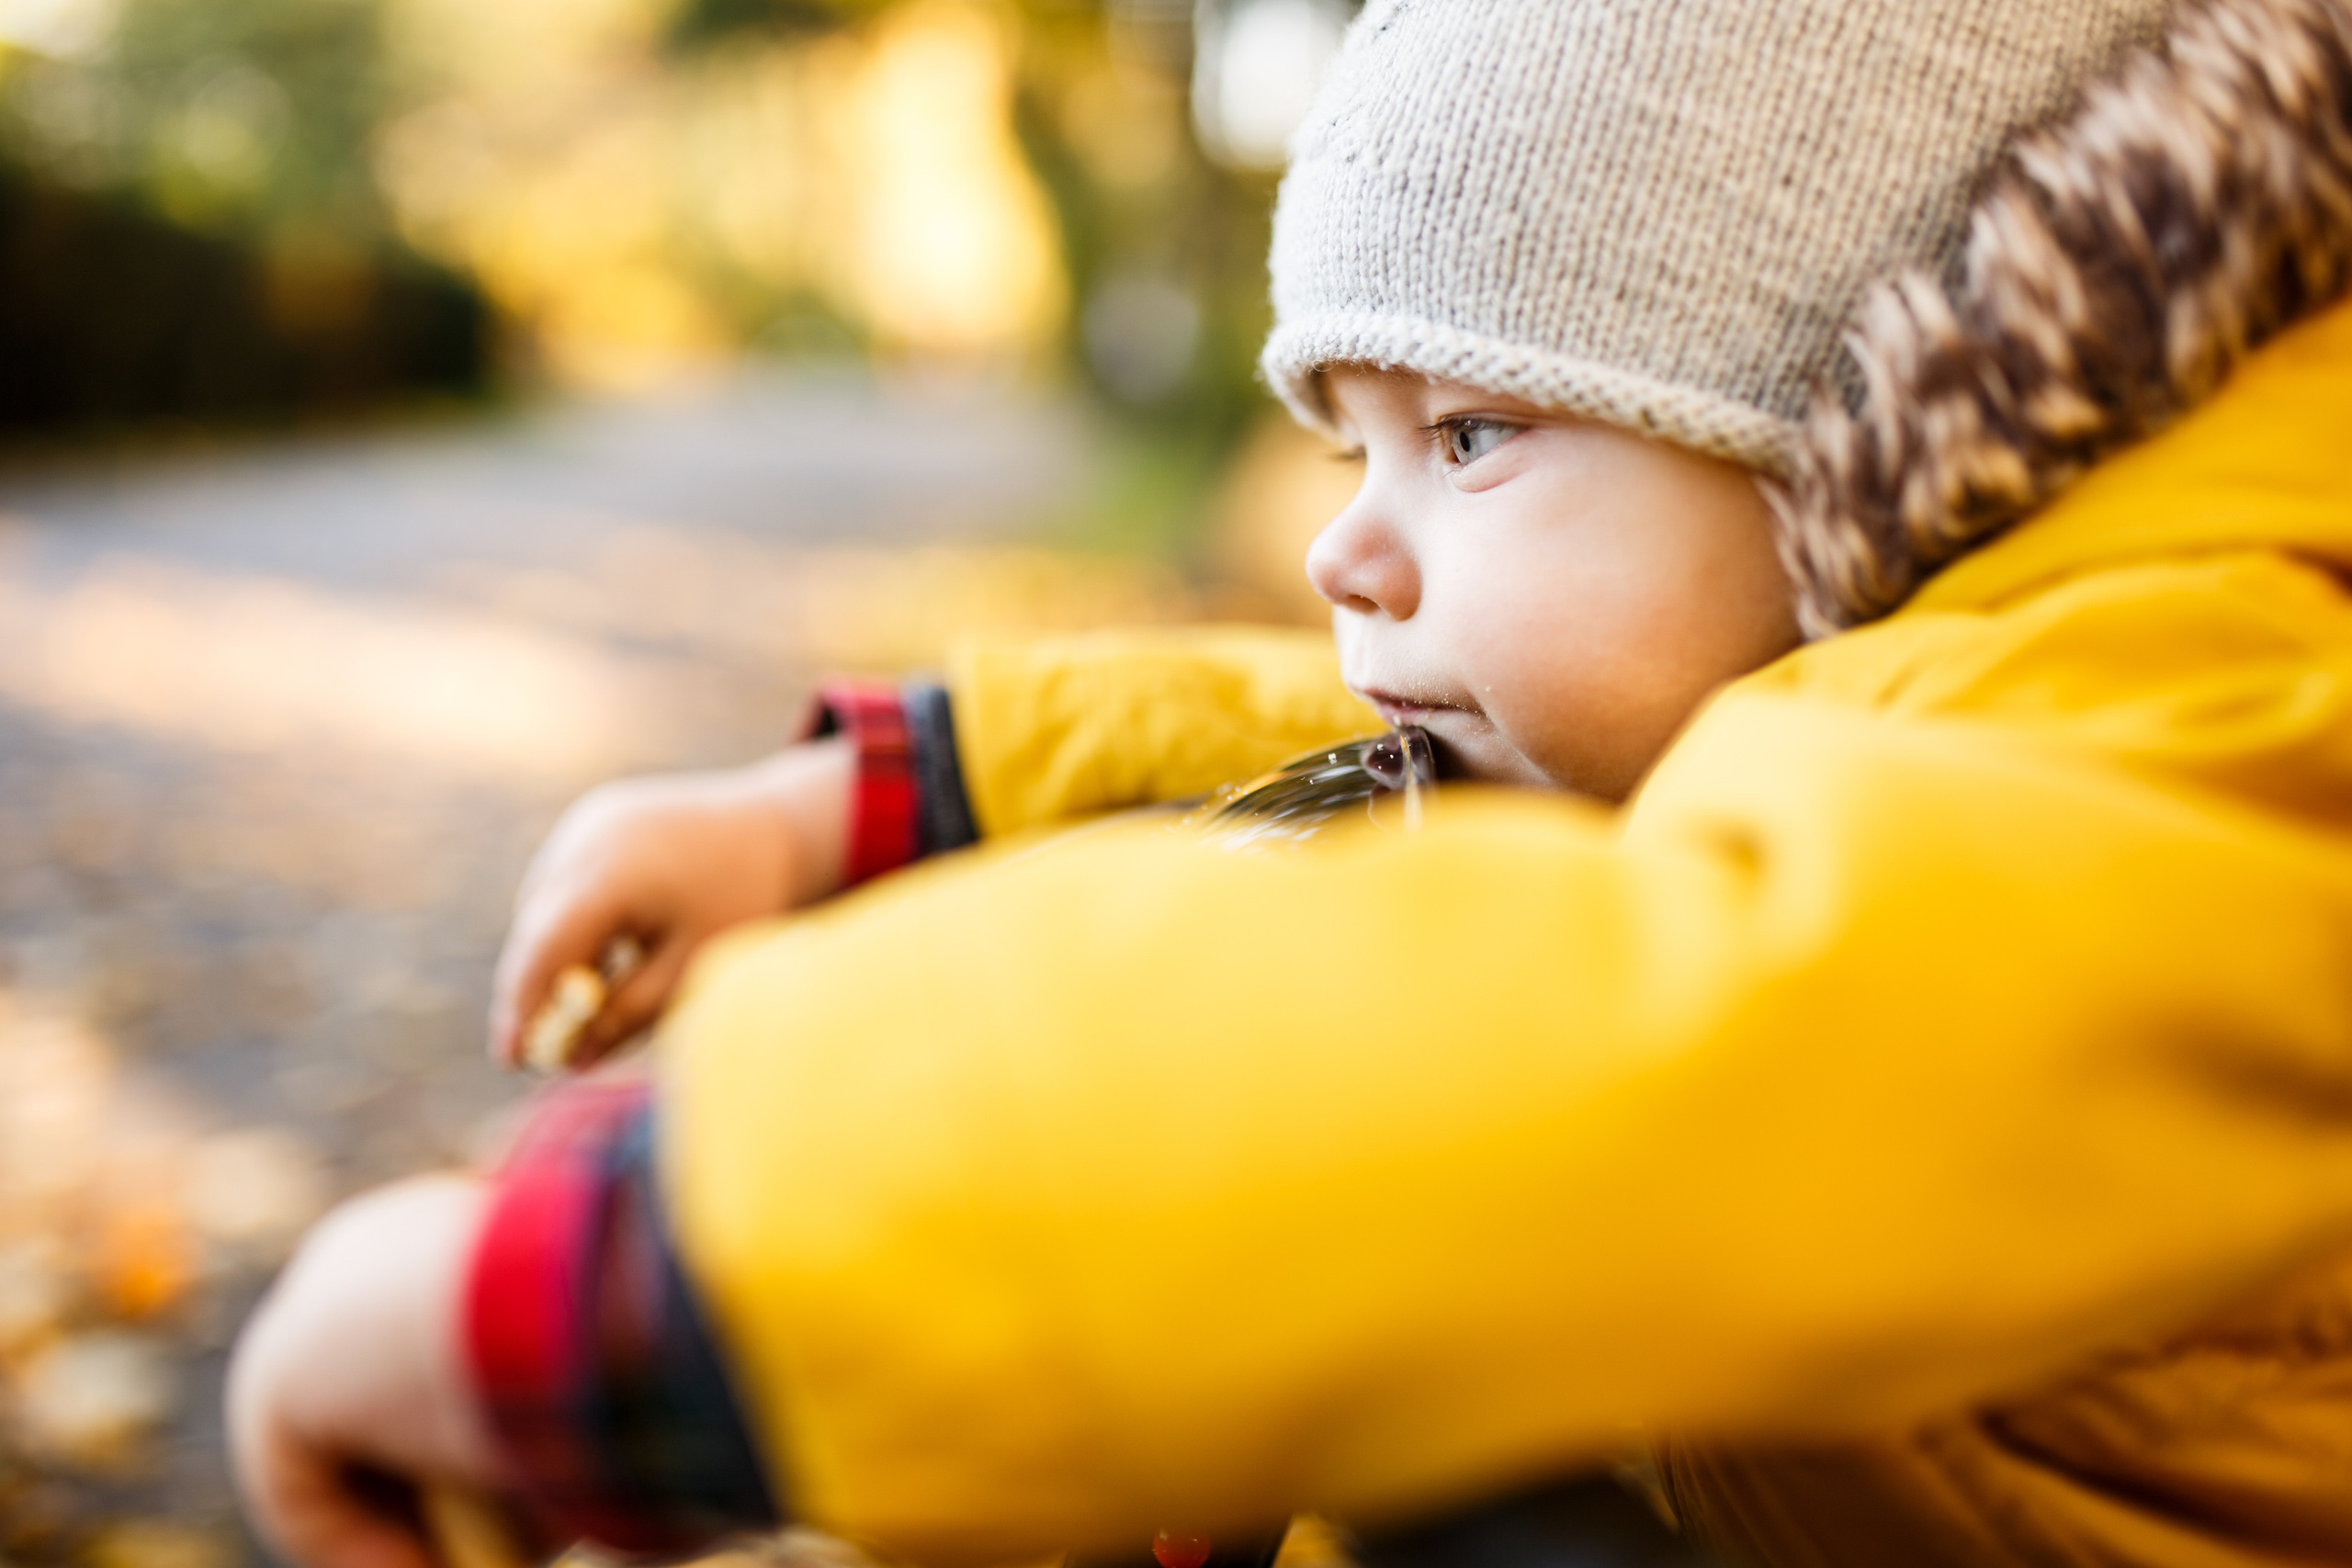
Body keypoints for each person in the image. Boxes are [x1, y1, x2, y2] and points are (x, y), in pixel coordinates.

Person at [230, 0, 2352, 1564]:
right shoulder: (1870, 681)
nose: (1347, 540)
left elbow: (1640, 1024)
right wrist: (884, 799)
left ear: (1858, 421)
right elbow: (1395, 764)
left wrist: (646, 1280)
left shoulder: (2220, 710)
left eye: (1471, 433)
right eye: (1351, 437)